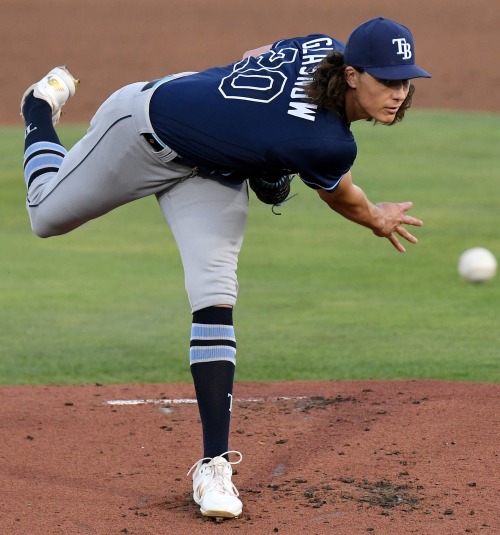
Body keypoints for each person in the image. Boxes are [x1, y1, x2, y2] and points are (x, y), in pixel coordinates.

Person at [20, 16, 430, 519]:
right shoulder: (328, 143)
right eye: (386, 80)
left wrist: (248, 137)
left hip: (211, 172)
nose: (398, 91)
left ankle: (214, 466)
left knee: (216, 291)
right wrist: (379, 218)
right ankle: (37, 109)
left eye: (405, 79)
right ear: (350, 75)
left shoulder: (321, 46)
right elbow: (345, 199)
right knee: (44, 215)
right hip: (140, 131)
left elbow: (257, 53)